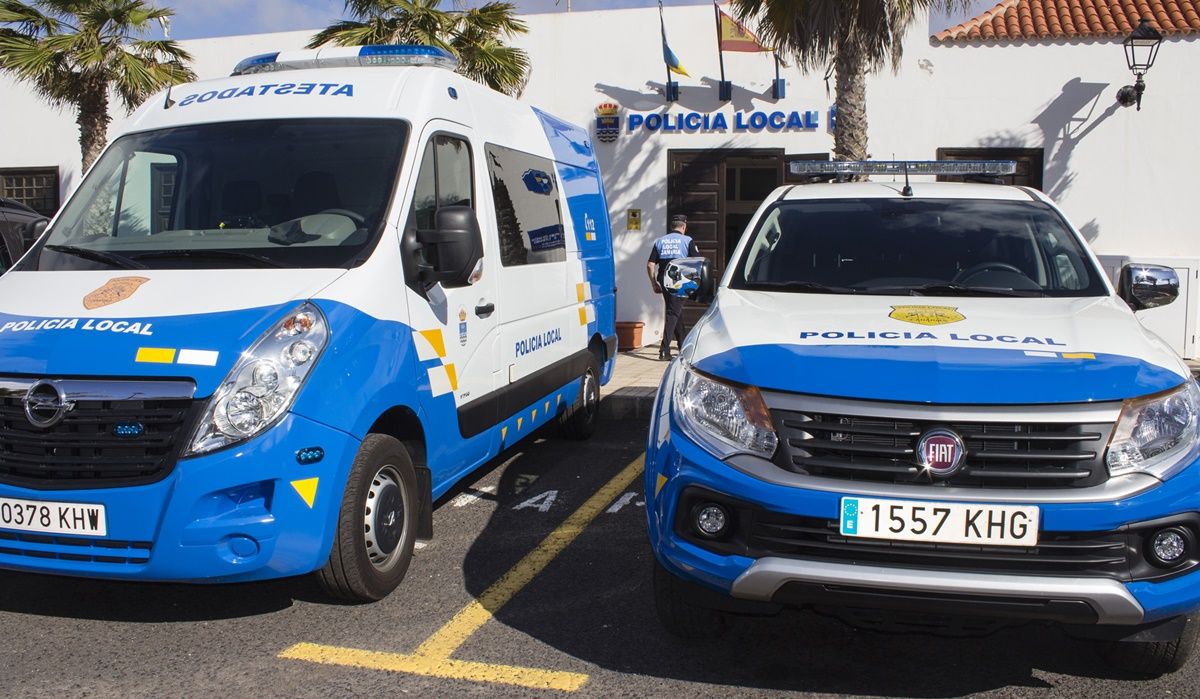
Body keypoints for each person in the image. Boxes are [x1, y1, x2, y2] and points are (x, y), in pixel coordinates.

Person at [647, 214, 700, 360]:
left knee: (675, 311)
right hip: (679, 279)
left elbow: (650, 264)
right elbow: (696, 261)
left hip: (664, 279)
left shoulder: (660, 241)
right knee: (673, 313)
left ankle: (683, 346)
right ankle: (664, 351)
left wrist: (654, 283)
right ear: (684, 226)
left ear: (672, 227)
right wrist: (696, 282)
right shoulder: (687, 240)